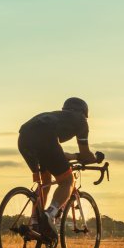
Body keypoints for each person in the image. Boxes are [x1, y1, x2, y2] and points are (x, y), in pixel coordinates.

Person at [17, 97, 99, 234]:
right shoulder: (81, 121)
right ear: (84, 113)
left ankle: (35, 221)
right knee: (68, 180)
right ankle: (50, 214)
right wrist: (96, 159)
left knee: (45, 182)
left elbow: (57, 153)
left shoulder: (56, 116)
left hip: (24, 138)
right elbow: (85, 154)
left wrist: (74, 156)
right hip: (46, 141)